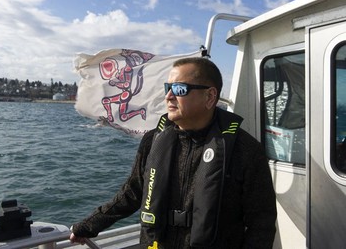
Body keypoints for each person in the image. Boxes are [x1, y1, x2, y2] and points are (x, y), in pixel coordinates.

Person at [70, 57, 277, 248]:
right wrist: (89, 225)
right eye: (168, 87)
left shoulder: (245, 150)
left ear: (210, 96)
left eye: (179, 89)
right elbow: (133, 192)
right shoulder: (153, 140)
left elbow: (262, 224)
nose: (168, 96)